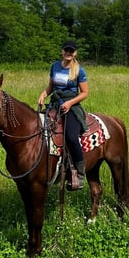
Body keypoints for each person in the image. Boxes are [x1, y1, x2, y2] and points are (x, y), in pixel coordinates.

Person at [37, 40, 89, 190]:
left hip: (70, 106)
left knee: (71, 136)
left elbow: (85, 93)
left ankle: (79, 174)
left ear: (75, 53)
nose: (68, 53)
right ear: (62, 51)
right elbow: (51, 86)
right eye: (66, 50)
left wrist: (70, 103)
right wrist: (43, 94)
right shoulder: (55, 66)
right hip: (54, 104)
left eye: (71, 51)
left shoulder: (79, 70)